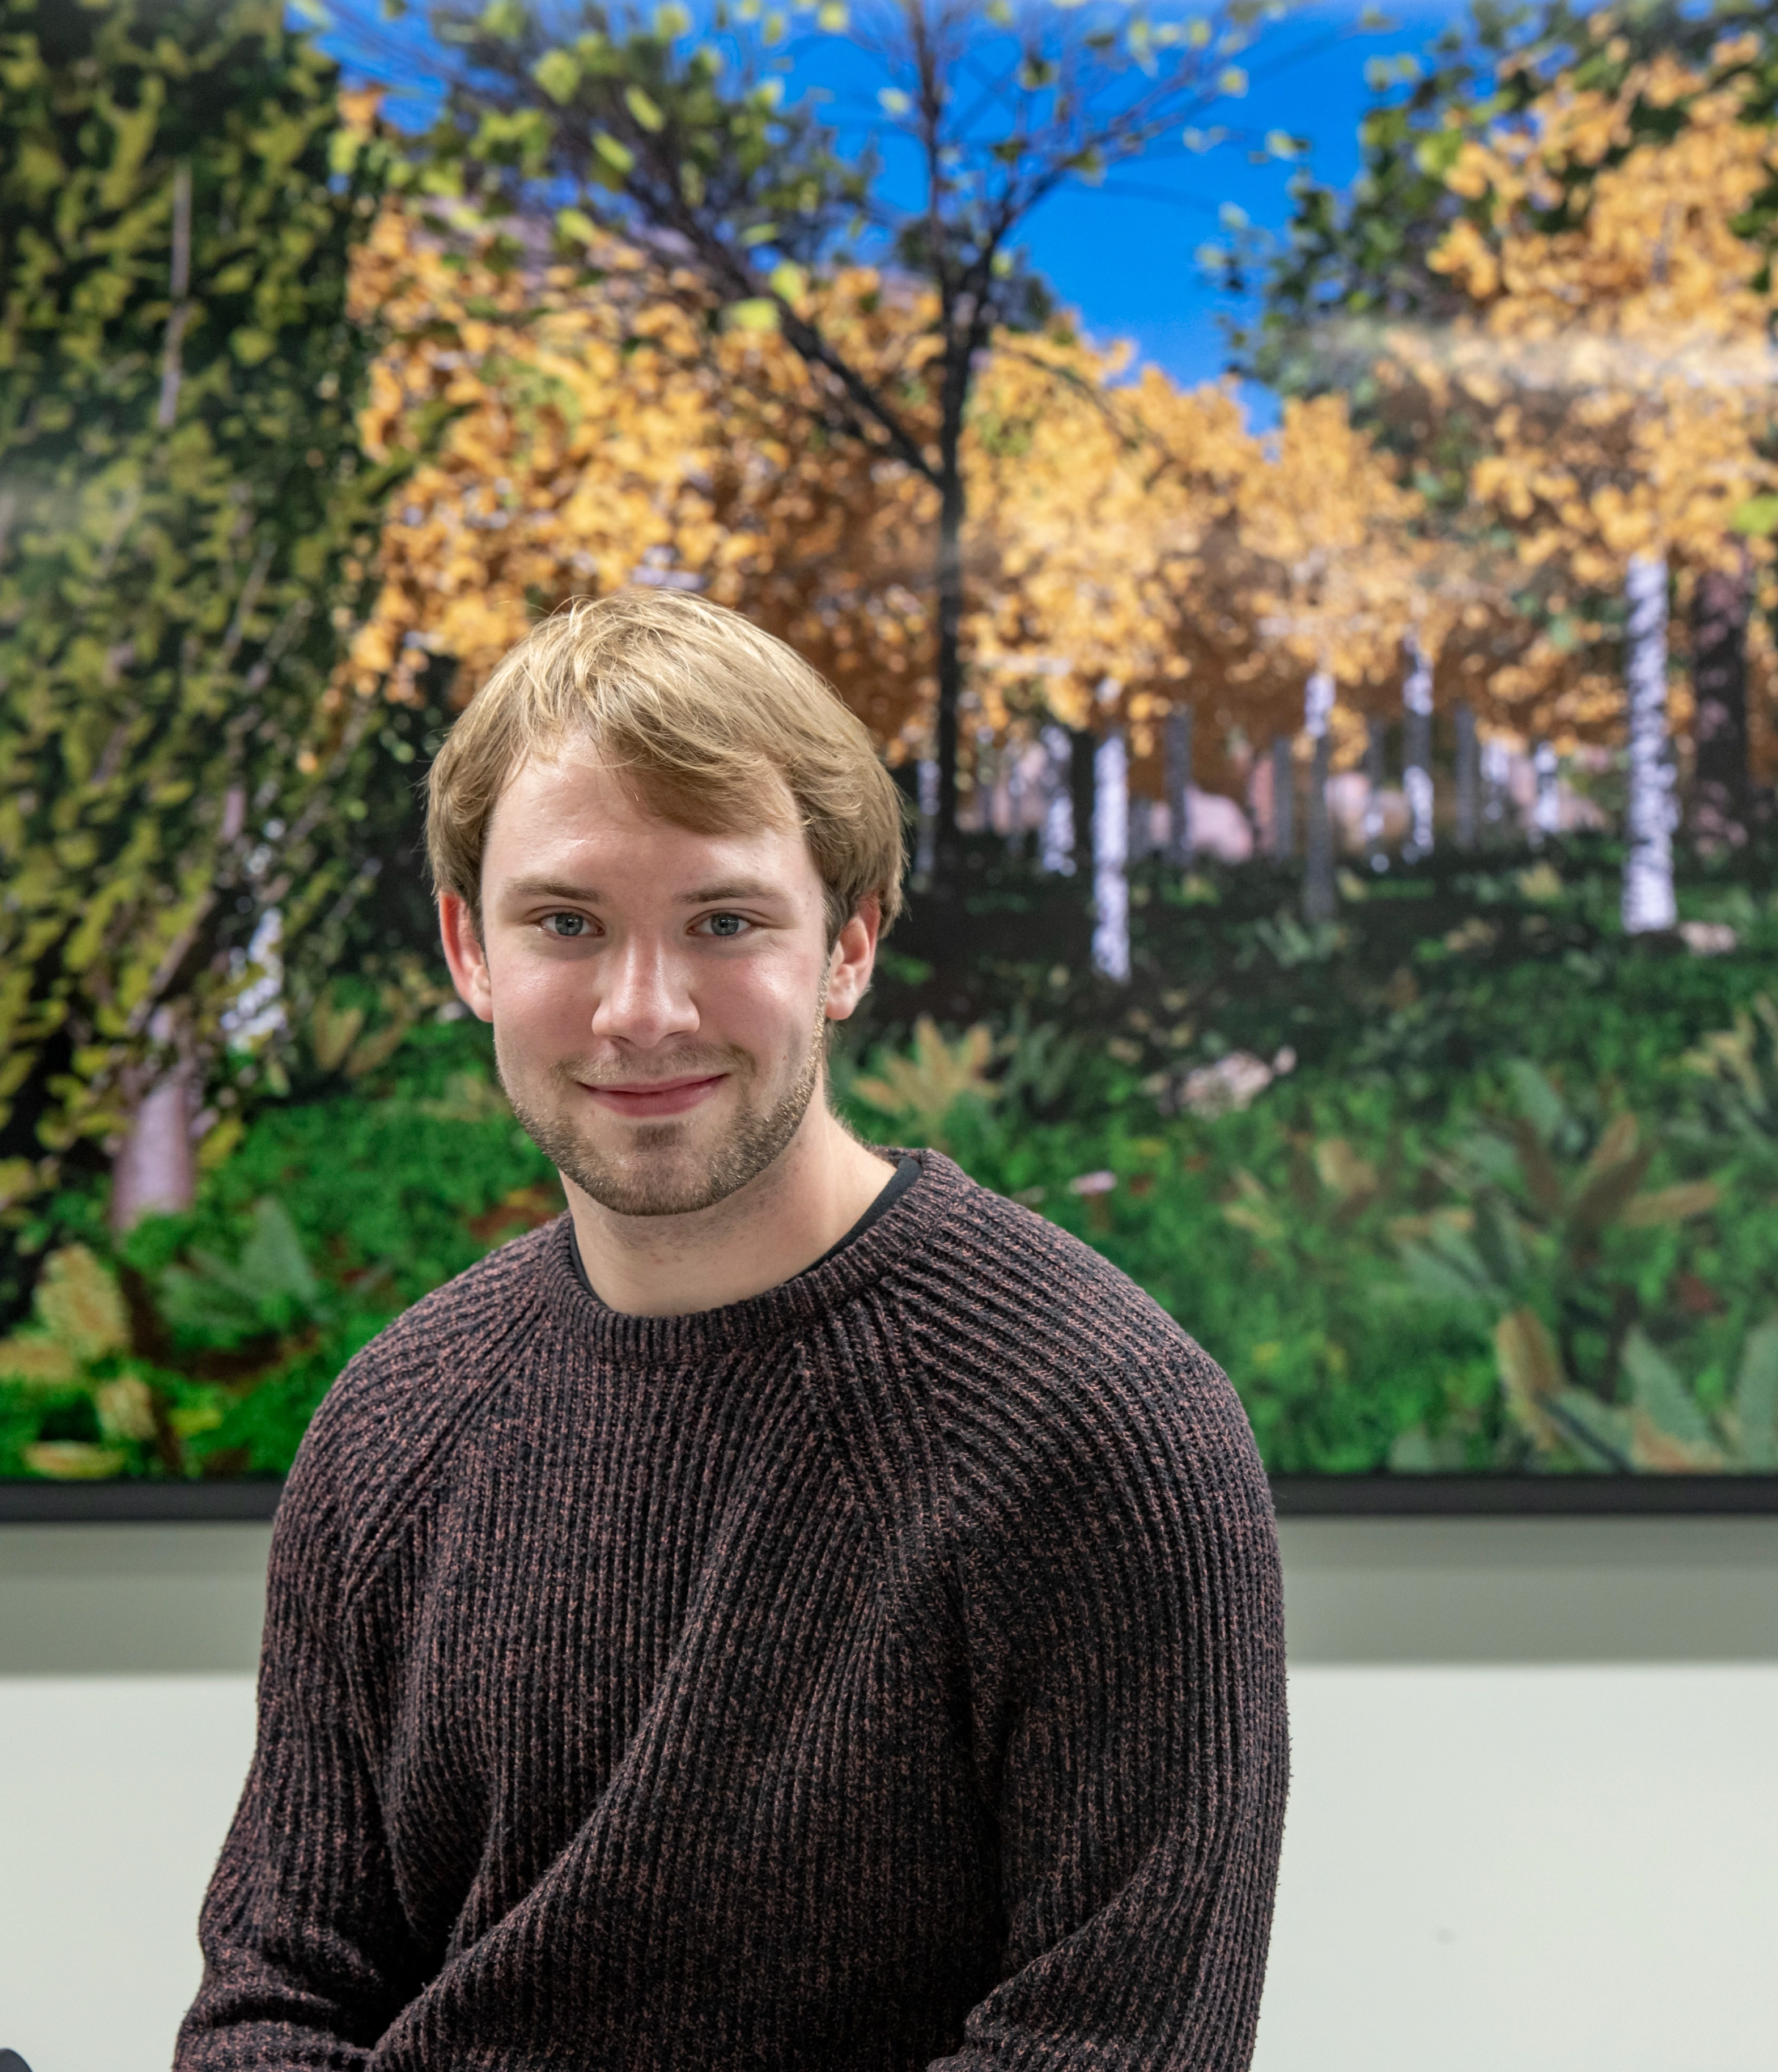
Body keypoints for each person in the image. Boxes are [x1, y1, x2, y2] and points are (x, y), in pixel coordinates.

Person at [178, 589, 1290, 2070]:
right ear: (470, 951)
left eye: (725, 922)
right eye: (566, 923)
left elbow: (1109, 2051)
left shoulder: (1104, 1426)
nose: (642, 1010)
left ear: (848, 947)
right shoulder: (391, 1425)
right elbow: (276, 1999)